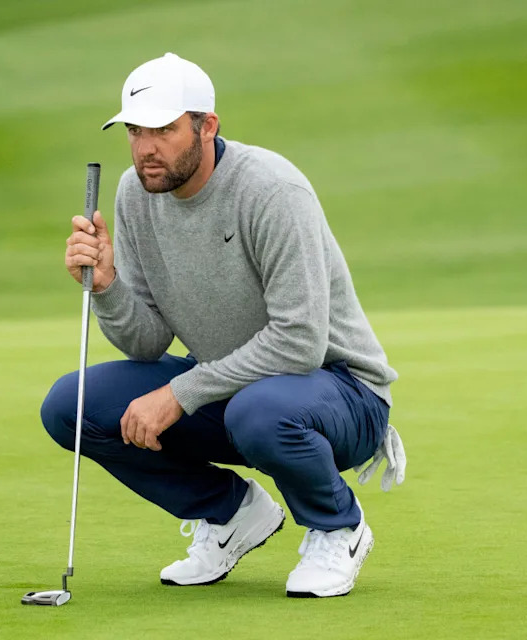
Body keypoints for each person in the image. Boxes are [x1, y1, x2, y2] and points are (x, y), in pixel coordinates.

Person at [41, 52, 406, 598]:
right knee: (71, 405)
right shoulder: (135, 194)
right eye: (135, 131)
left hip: (341, 394)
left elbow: (300, 342)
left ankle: (338, 528)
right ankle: (230, 513)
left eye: (163, 129)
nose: (145, 148)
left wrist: (179, 393)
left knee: (260, 409)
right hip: (232, 392)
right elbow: (147, 342)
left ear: (206, 126)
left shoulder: (271, 191)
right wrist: (107, 286)